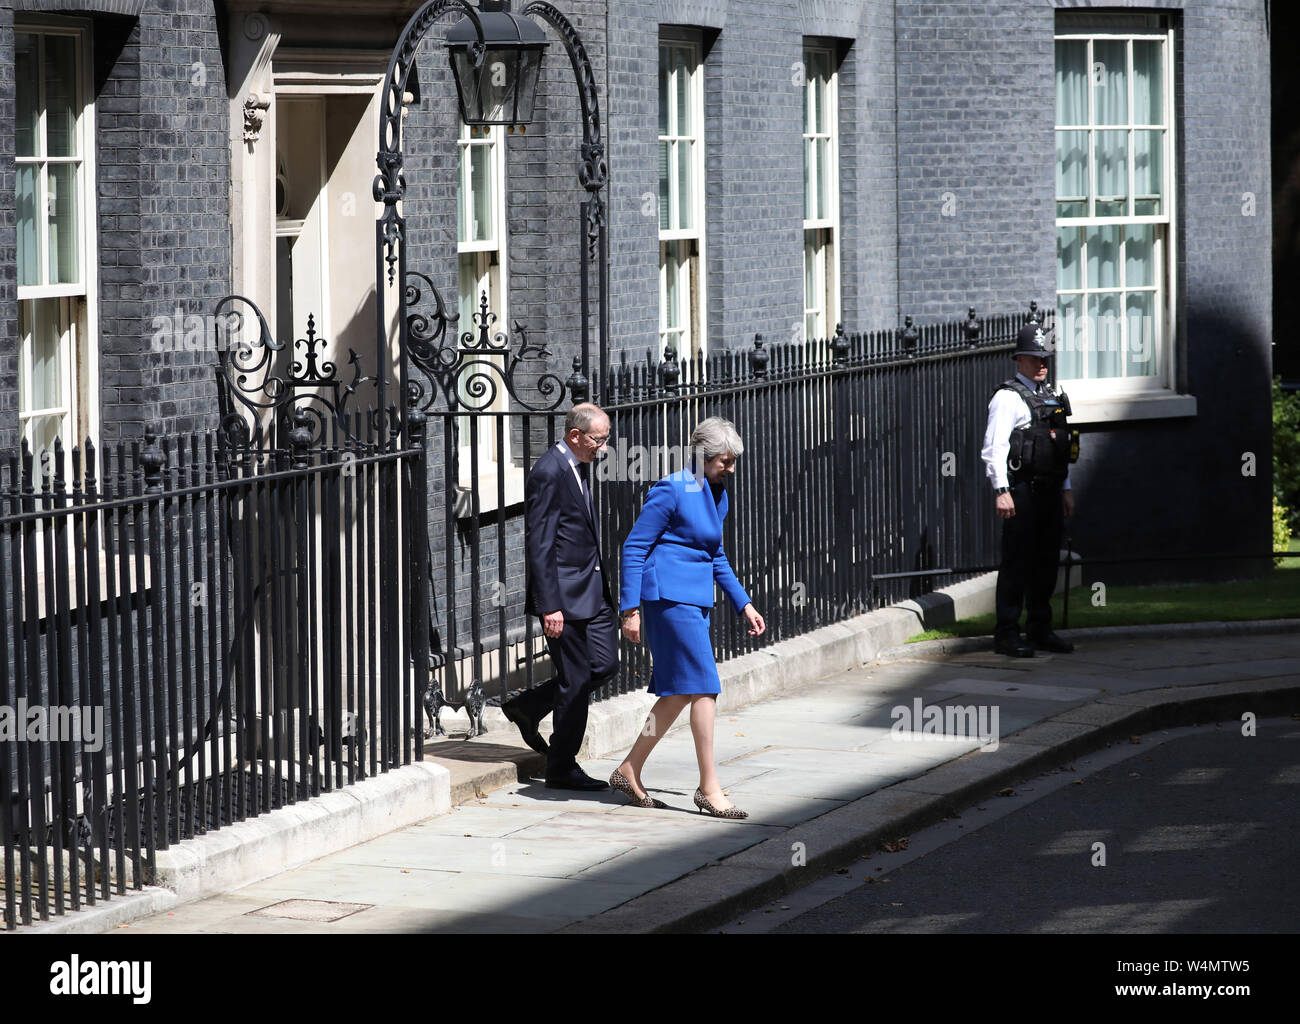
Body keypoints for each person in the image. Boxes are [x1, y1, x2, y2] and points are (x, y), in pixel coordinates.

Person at [609, 417, 766, 818]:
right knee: (705, 687)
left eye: (733, 461)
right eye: (724, 461)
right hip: (668, 598)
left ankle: (629, 770)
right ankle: (709, 788)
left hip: (694, 600)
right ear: (701, 456)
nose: (731, 469)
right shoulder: (671, 489)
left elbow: (715, 555)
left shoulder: (718, 493)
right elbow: (634, 547)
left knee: (679, 692)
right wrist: (629, 610)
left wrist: (744, 603)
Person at [504, 402, 617, 790]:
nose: (603, 448)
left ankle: (528, 706)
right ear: (575, 435)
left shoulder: (578, 464)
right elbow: (540, 543)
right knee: (576, 678)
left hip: (592, 591)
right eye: (599, 440)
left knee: (605, 665)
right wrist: (549, 605)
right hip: (563, 599)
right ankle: (561, 765)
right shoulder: (549, 472)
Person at [980, 322, 1077, 658]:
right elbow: (994, 448)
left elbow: (1062, 447)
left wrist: (1066, 488)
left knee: (1046, 562)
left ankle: (1040, 628)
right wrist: (1001, 490)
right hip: (1021, 490)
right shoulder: (1007, 398)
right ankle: (1007, 633)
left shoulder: (1050, 396)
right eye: (1035, 358)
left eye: (1045, 358)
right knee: (1017, 562)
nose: (1041, 364)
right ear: (1019, 359)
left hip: (1050, 490)